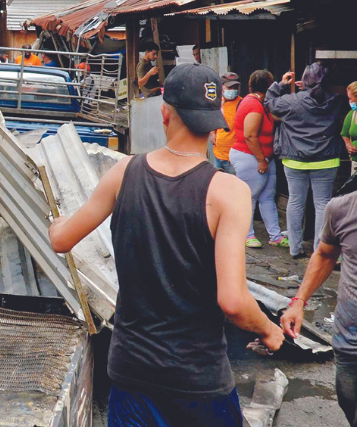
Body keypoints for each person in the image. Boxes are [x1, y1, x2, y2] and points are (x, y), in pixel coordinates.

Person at [49, 62, 283, 427]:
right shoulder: (228, 192)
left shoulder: (124, 172)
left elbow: (61, 240)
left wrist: (57, 221)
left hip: (131, 373)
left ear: (164, 114)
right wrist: (269, 330)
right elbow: (234, 301)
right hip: (198, 382)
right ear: (215, 120)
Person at [281, 186, 357, 427]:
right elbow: (325, 254)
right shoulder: (342, 208)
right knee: (349, 404)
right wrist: (298, 302)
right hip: (349, 342)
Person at [266, 63, 345, 259]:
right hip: (326, 161)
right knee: (322, 205)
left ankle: (295, 248)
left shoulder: (291, 101)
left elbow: (269, 102)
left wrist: (280, 85)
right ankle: (320, 249)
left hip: (295, 160)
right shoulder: (336, 102)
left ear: (305, 80)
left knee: (295, 202)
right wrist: (310, 90)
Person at [229, 70, 287, 249]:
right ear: (268, 87)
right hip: (250, 156)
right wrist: (262, 160)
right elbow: (250, 136)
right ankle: (247, 234)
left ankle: (275, 235)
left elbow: (273, 117)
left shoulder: (261, 103)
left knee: (267, 197)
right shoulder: (253, 105)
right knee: (249, 197)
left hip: (262, 156)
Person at [211, 72, 241, 175]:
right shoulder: (217, 102)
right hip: (217, 154)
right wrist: (212, 133)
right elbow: (213, 119)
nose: (233, 90)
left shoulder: (241, 104)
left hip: (232, 159)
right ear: (222, 87)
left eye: (235, 87)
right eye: (230, 87)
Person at [342, 81, 357, 175]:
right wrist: (348, 144)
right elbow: (344, 133)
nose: (350, 102)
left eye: (351, 98)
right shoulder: (352, 114)